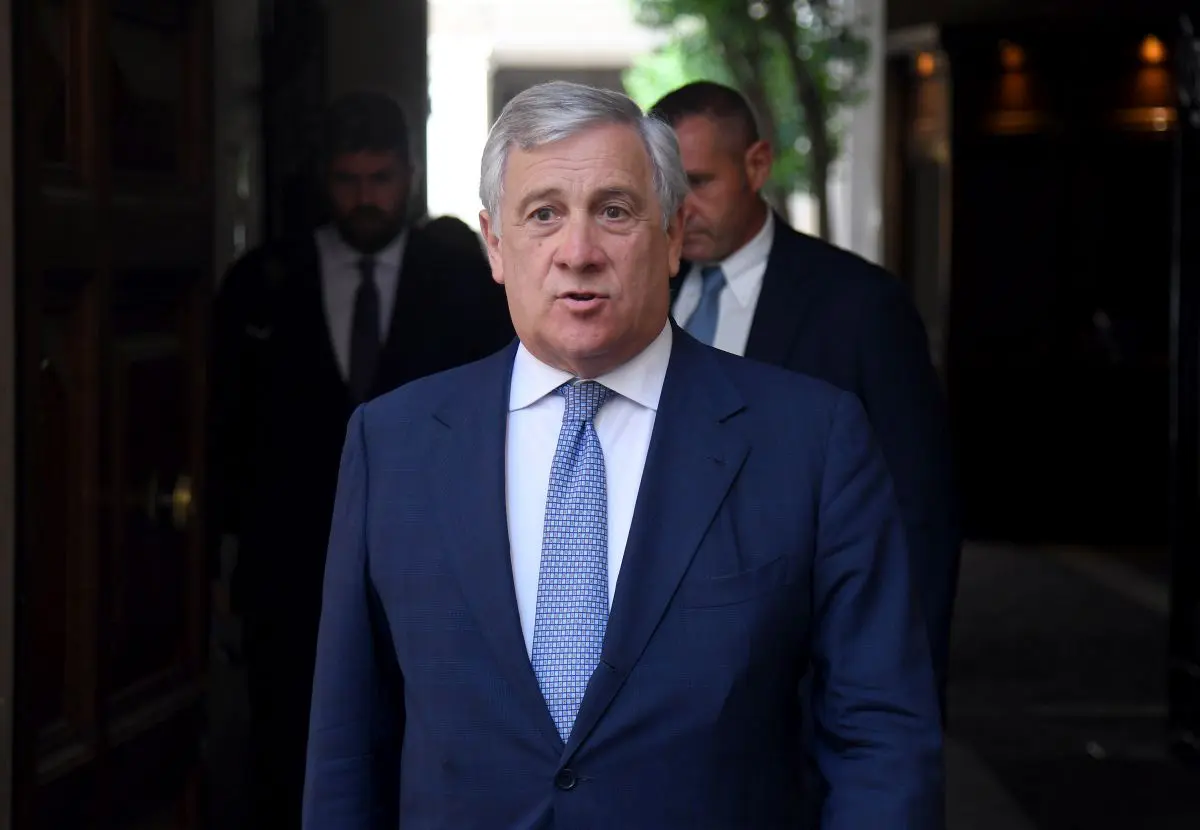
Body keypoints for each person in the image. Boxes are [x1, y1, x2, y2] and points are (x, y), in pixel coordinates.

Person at [303, 81, 944, 828]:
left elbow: (881, 740)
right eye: (543, 214)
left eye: (614, 211)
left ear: (672, 236)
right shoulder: (393, 444)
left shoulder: (810, 440)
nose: (578, 253)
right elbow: (347, 747)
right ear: (495, 245)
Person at [207, 90, 513, 828]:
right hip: (292, 572)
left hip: (434, 562)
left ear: (410, 175)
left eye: (381, 179)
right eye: (349, 180)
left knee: (426, 745)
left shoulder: (465, 280)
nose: (367, 197)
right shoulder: (265, 281)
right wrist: (223, 566)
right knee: (290, 750)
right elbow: (226, 435)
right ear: (325, 179)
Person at [650, 81, 961, 707]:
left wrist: (902, 698)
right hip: (660, 680)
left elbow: (918, 512)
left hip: (803, 676)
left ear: (757, 164)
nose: (681, 209)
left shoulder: (860, 306)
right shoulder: (643, 292)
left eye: (700, 183)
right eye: (667, 189)